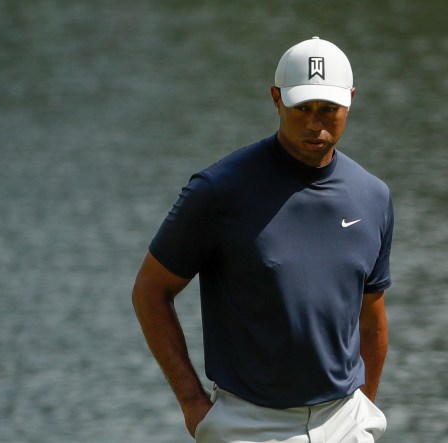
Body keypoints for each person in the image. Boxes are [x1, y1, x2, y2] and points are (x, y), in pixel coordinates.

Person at [132, 37, 393, 442]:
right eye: (301, 107)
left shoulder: (373, 196)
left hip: (346, 422)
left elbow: (372, 314)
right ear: (276, 98)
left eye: (328, 109)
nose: (314, 122)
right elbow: (150, 291)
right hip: (249, 426)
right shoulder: (218, 191)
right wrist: (193, 405)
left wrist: (366, 407)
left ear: (351, 101)